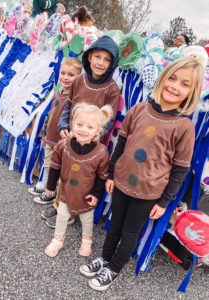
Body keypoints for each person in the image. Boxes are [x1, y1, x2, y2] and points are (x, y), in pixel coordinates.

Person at [79, 57, 204, 291]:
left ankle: (114, 268)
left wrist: (165, 202)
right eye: (172, 78)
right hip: (122, 182)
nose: (175, 86)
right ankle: (105, 258)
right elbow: (121, 144)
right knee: (114, 224)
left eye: (185, 84)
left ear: (192, 91)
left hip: (148, 193)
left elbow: (180, 169)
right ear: (163, 78)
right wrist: (112, 175)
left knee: (130, 232)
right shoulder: (139, 109)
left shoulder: (183, 127)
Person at [44, 103, 111, 257]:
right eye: (79, 124)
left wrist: (95, 194)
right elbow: (55, 165)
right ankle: (57, 240)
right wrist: (50, 186)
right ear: (72, 123)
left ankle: (87, 240)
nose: (83, 130)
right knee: (62, 215)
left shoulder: (101, 152)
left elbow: (102, 176)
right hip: (66, 191)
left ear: (98, 130)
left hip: (86, 194)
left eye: (89, 127)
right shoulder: (63, 146)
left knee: (87, 219)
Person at [28, 58, 82, 209]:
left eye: (71, 74)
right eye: (63, 73)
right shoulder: (59, 92)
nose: (65, 77)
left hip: (60, 140)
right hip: (50, 137)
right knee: (47, 163)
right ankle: (44, 184)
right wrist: (45, 132)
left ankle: (51, 193)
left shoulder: (74, 98)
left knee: (56, 166)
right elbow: (52, 113)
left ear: (79, 77)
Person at [58, 35, 121, 141]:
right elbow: (68, 107)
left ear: (112, 64)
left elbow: (109, 120)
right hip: (68, 138)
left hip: (90, 145)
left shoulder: (112, 90)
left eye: (107, 60)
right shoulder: (78, 80)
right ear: (89, 57)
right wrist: (63, 125)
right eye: (97, 57)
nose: (100, 63)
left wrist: (95, 135)